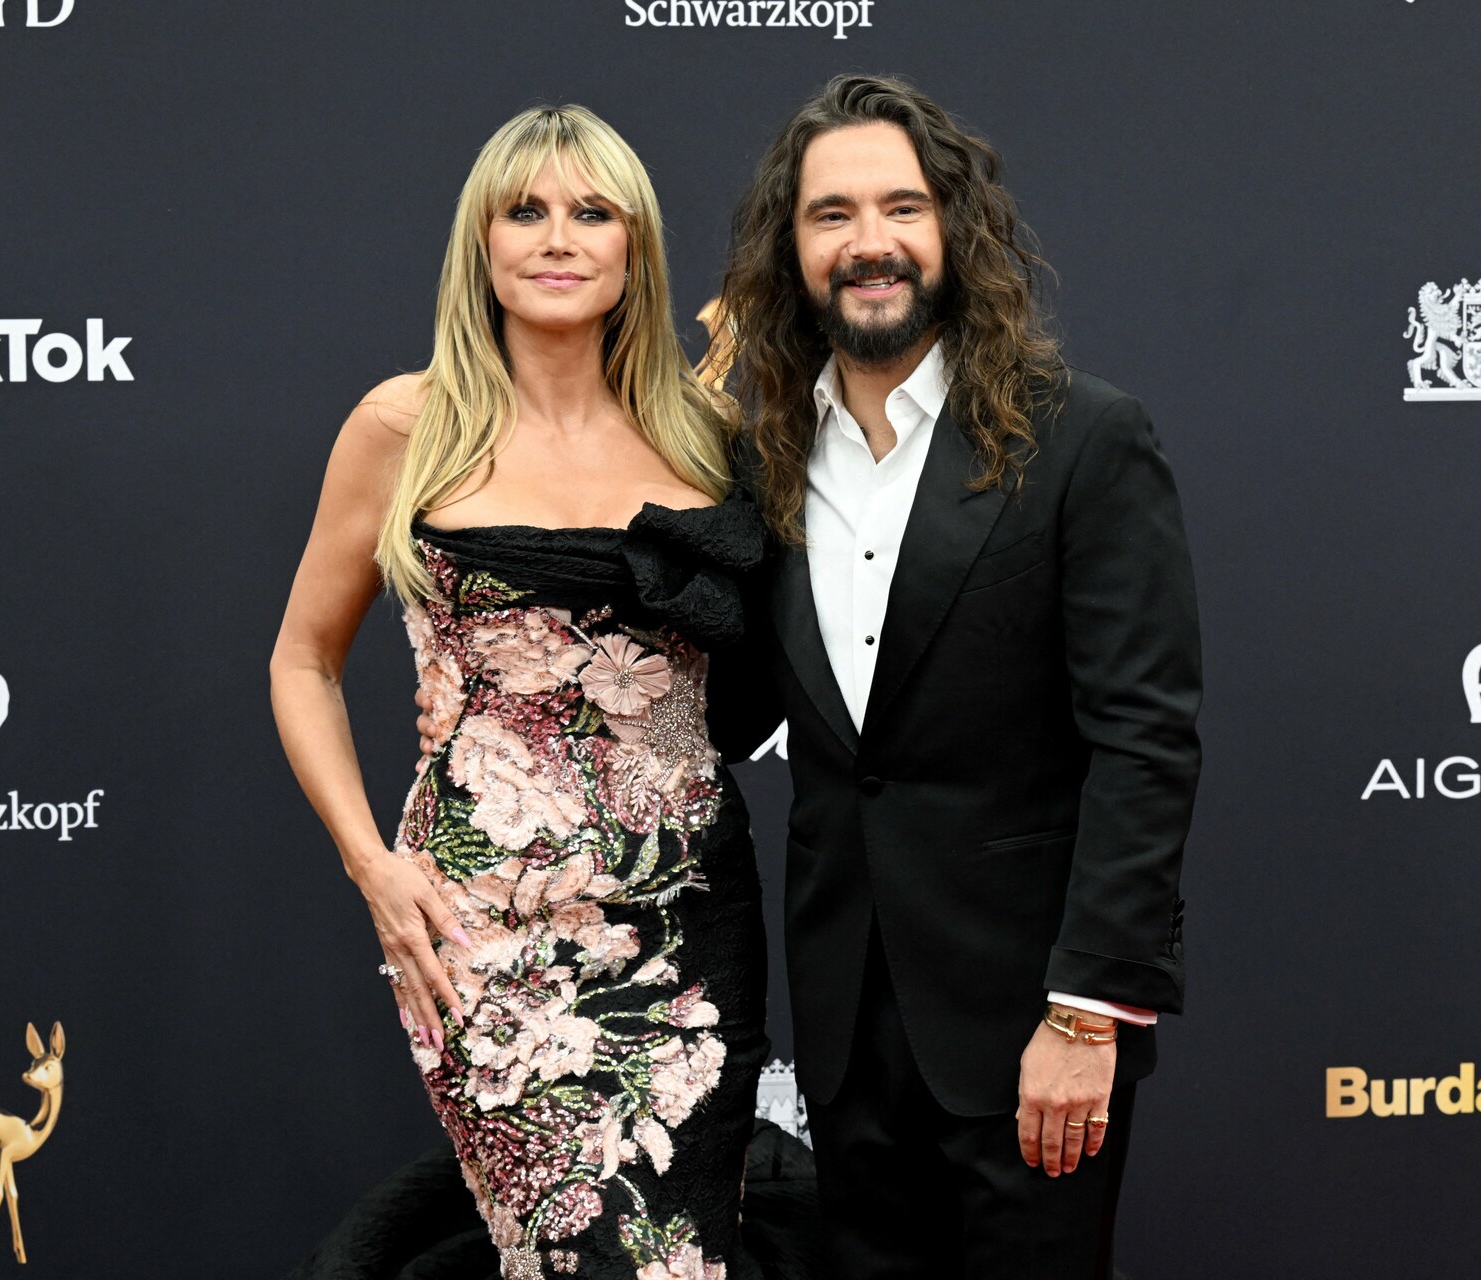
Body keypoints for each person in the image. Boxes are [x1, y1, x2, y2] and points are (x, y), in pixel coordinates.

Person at [709, 75, 1203, 1277]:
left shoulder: (1080, 438)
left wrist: (1087, 1011)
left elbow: (1144, 739)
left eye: (902, 207)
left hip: (1032, 1025)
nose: (869, 242)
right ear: (791, 249)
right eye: (831, 214)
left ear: (954, 229)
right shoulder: (762, 462)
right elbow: (735, 710)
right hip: (845, 1029)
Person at [270, 105, 773, 1280]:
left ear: (634, 246)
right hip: (484, 926)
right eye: (525, 210)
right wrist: (372, 865)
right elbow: (302, 660)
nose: (558, 237)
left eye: (592, 212)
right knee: (568, 1252)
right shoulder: (405, 425)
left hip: (688, 916)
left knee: (683, 1257)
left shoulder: (704, 433)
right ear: (481, 243)